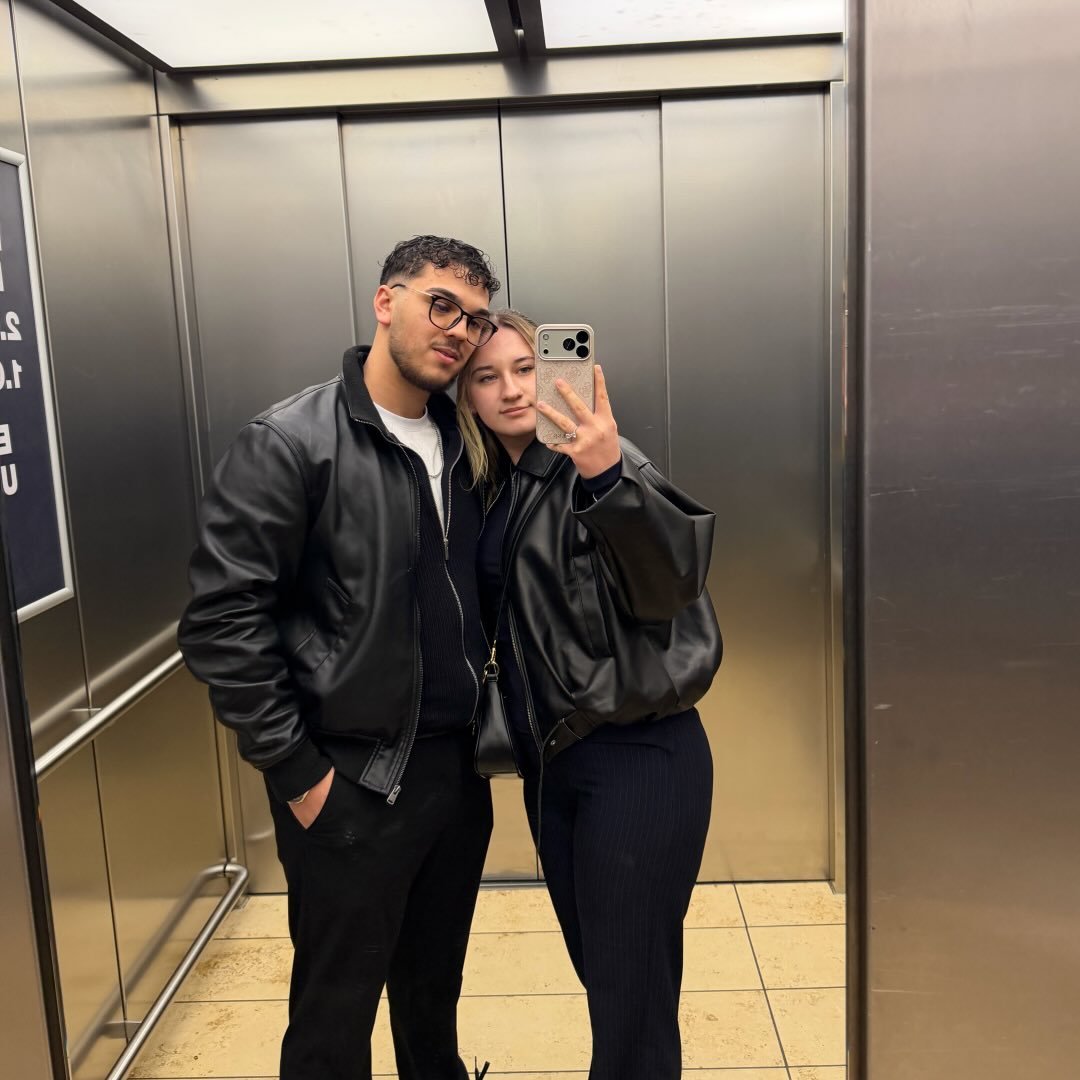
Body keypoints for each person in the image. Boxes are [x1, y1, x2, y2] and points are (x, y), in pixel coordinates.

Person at [178, 235, 502, 1080]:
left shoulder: (465, 441)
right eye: (441, 304)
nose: (459, 331)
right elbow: (221, 621)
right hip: (350, 779)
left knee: (432, 997)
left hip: (455, 777)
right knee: (334, 1019)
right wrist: (300, 777)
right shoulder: (291, 442)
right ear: (385, 302)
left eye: (475, 319)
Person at [458, 310, 722, 1080]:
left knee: (631, 1009)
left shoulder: (600, 461)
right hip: (555, 766)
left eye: (525, 369)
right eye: (486, 377)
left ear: (555, 373)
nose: (511, 390)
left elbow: (670, 586)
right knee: (611, 982)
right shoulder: (495, 487)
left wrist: (607, 478)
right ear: (466, 397)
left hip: (636, 755)